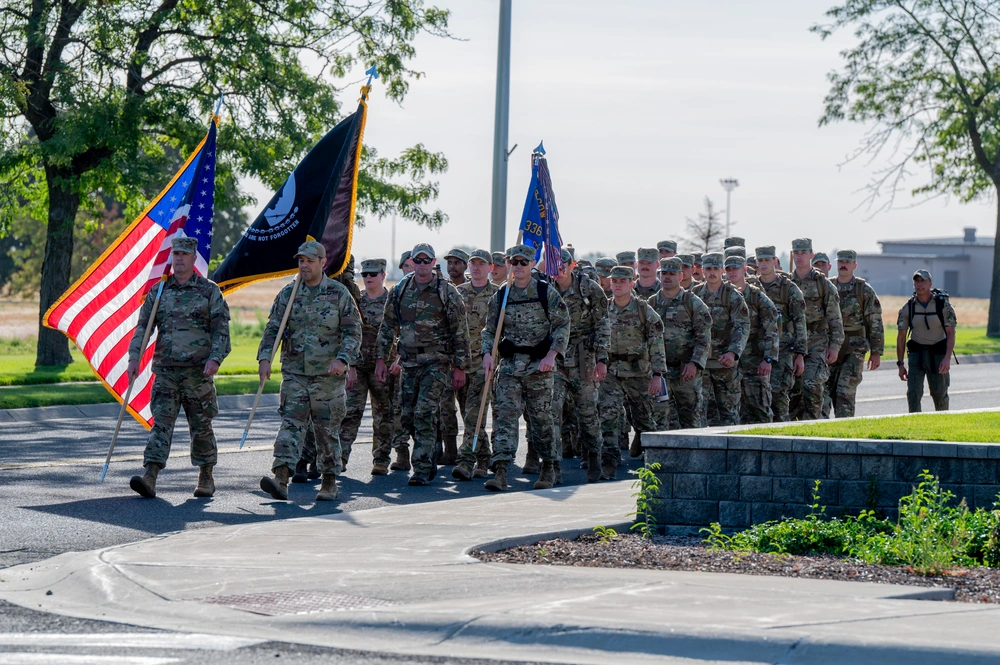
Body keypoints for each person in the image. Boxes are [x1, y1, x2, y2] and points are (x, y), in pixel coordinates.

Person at [127, 236, 231, 499]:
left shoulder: (209, 291)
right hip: (166, 372)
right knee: (161, 424)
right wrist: (134, 357)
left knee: (201, 426)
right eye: (176, 254)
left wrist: (215, 359)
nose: (179, 258)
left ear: (194, 258)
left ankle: (206, 476)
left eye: (184, 254)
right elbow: (144, 327)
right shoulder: (160, 291)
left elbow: (221, 331)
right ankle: (150, 475)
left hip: (198, 373)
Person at [258, 240, 361, 502]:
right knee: (290, 424)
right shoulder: (288, 293)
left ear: (323, 262)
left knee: (326, 432)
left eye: (310, 261)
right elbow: (273, 329)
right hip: (295, 373)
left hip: (327, 376)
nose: (304, 265)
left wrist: (343, 360)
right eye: (301, 260)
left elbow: (353, 332)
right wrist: (265, 358)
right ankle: (281, 478)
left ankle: (328, 481)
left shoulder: (338, 294)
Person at [375, 243, 470, 486]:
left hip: (437, 362)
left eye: (427, 260)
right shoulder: (401, 289)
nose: (422, 264)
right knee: (406, 415)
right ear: (413, 262)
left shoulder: (446, 291)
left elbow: (460, 331)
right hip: (409, 362)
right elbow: (387, 326)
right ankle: (429, 450)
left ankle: (422, 467)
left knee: (424, 412)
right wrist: (380, 360)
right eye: (418, 260)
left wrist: (460, 367)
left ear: (433, 262)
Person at [482, 244, 570, 491]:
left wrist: (552, 355)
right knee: (505, 418)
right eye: (514, 262)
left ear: (532, 264)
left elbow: (563, 325)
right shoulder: (501, 295)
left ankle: (549, 467)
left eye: (523, 262)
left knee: (542, 419)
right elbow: (489, 330)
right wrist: (487, 353)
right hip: (510, 367)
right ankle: (500, 471)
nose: (518, 267)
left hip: (538, 368)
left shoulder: (545, 292)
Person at [549, 248, 610, 484]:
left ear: (572, 264)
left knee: (586, 413)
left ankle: (594, 457)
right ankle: (552, 465)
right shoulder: (546, 288)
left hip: (583, 357)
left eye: (563, 263)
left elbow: (603, 325)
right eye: (555, 263)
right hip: (555, 357)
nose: (559, 268)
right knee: (552, 412)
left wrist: (602, 359)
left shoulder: (589, 289)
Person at [600, 266, 666, 471]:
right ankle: (610, 457)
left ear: (631, 283)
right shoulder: (604, 309)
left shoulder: (643, 310)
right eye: (614, 281)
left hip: (638, 371)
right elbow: (597, 339)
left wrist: (657, 375)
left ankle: (652, 456)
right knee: (608, 413)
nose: (617, 285)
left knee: (644, 417)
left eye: (622, 281)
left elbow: (656, 343)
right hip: (612, 371)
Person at [339, 258, 395, 475]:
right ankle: (341, 457)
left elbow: (399, 331)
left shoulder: (392, 301)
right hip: (358, 365)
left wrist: (396, 361)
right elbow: (347, 332)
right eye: (365, 274)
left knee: (383, 413)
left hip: (384, 365)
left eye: (373, 274)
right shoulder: (356, 301)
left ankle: (381, 459)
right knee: (351, 412)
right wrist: (350, 365)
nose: (369, 278)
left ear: (383, 275)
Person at [646, 257, 711, 431]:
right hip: (660, 374)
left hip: (686, 373)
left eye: (672, 273)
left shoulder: (693, 303)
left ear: (681, 276)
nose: (667, 277)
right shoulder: (651, 304)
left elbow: (703, 338)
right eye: (664, 273)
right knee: (659, 419)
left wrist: (695, 363)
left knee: (690, 421)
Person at [452, 249, 500, 481]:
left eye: (482, 264)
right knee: (468, 413)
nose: (476, 267)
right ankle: (484, 456)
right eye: (473, 263)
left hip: (485, 362)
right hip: (462, 362)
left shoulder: (500, 294)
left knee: (473, 413)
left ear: (491, 268)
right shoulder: (457, 293)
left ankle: (466, 461)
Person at [789, 238, 844, 421]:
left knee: (812, 386)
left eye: (803, 253)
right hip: (792, 343)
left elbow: (835, 318)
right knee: (793, 392)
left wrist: (835, 346)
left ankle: (812, 424)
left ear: (811, 255)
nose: (799, 257)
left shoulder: (823, 284)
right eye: (796, 253)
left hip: (816, 343)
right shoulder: (787, 283)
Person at [692, 253, 750, 426]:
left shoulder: (732, 296)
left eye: (715, 269)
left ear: (722, 271)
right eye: (708, 269)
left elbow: (742, 326)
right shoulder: (694, 295)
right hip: (701, 364)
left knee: (729, 413)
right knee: (700, 411)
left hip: (725, 364)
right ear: (702, 270)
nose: (711, 273)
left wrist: (733, 352)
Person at [753, 246, 807, 422]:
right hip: (755, 352)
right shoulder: (752, 287)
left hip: (783, 352)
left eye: (767, 260)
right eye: (760, 260)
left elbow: (800, 323)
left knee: (779, 399)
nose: (763, 264)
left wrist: (799, 355)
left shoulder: (789, 289)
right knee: (756, 402)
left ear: (775, 262)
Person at [828, 250, 884, 418]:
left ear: (855, 265)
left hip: (854, 348)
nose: (843, 264)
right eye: (841, 261)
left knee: (845, 392)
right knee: (826, 393)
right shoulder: (828, 287)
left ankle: (843, 433)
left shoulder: (864, 290)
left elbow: (875, 321)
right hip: (830, 347)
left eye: (847, 262)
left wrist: (876, 352)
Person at [725, 254, 779, 424]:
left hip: (754, 360)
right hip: (728, 361)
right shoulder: (720, 293)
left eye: (736, 268)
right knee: (731, 411)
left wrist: (768, 358)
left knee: (759, 409)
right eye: (728, 269)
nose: (732, 272)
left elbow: (772, 327)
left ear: (745, 270)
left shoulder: (757, 297)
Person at [896, 269, 956, 412]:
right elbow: (901, 337)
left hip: (938, 354)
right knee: (913, 394)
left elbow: (951, 333)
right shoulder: (908, 308)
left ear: (930, 284)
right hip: (917, 354)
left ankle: (944, 426)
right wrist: (900, 364)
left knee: (939, 393)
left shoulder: (943, 306)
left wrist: (947, 358)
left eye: (923, 281)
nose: (919, 284)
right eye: (917, 281)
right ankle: (915, 426)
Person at [437, 248, 470, 464]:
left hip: (468, 360)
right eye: (450, 262)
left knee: (470, 410)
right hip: (443, 359)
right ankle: (450, 450)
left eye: (457, 263)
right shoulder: (441, 289)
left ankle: (470, 450)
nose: (452, 266)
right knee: (445, 409)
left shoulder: (470, 290)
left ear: (465, 266)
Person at [385, 251, 414, 472]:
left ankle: (432, 453)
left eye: (415, 264)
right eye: (406, 265)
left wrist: (400, 359)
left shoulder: (435, 291)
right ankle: (402, 453)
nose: (410, 268)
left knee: (426, 412)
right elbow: (390, 330)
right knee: (398, 410)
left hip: (422, 362)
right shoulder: (397, 293)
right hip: (397, 363)